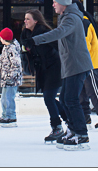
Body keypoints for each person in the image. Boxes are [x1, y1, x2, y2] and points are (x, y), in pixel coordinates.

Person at [21, 0, 93, 150]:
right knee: (65, 99)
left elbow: (58, 33)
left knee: (71, 99)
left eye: (55, 2)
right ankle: (73, 130)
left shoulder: (72, 19)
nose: (53, 5)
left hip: (77, 65)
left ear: (63, 3)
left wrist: (34, 41)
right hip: (70, 66)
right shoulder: (65, 17)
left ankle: (81, 134)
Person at [21, 9, 65, 142]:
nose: (25, 21)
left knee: (48, 97)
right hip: (42, 70)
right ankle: (69, 120)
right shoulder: (25, 34)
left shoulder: (44, 32)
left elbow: (59, 47)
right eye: (25, 19)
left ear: (36, 20)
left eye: (28, 19)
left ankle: (57, 126)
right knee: (49, 98)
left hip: (54, 67)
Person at [75, 2, 98, 130]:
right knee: (82, 92)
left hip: (90, 63)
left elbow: (84, 45)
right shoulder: (82, 22)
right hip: (83, 63)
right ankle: (85, 117)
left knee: (94, 91)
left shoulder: (84, 23)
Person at [0, 28, 23, 127]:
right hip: (6, 78)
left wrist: (11, 76)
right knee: (4, 98)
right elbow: (1, 62)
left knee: (9, 98)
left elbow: (16, 64)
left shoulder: (12, 49)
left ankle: (11, 116)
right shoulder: (6, 48)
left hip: (11, 79)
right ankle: (5, 115)